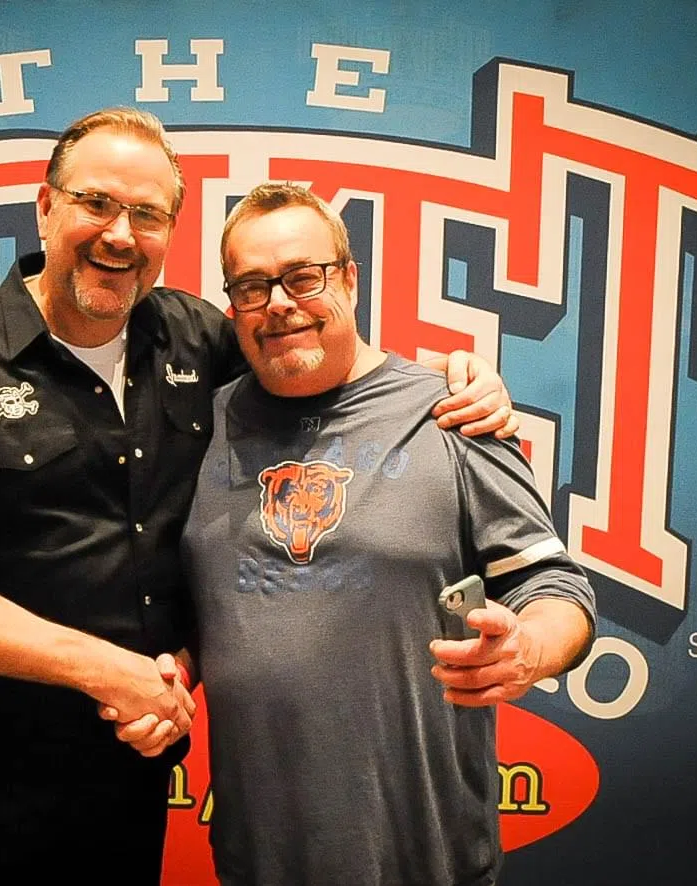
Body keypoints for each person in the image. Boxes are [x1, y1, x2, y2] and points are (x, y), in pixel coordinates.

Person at [0, 108, 517, 884]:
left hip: (136, 768)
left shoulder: (197, 338)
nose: (119, 234)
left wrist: (447, 376)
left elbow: (312, 353)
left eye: (147, 214)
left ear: (169, 231)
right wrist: (106, 671)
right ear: (46, 206)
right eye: (96, 203)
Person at [111, 183, 595, 886]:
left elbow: (554, 585)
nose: (279, 303)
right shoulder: (197, 427)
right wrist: (167, 674)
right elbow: (190, 605)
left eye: (303, 277)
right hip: (256, 861)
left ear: (349, 279)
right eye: (252, 286)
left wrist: (530, 649)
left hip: (427, 860)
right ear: (232, 305)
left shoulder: (450, 413)